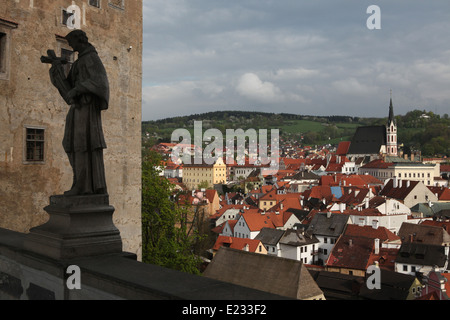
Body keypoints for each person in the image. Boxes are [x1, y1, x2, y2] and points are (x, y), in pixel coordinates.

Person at [44, 30, 109, 196]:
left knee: (83, 144)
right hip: (78, 108)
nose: (70, 46)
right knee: (71, 144)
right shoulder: (81, 61)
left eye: (71, 42)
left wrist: (79, 89)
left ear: (80, 40)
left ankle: (85, 186)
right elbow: (68, 88)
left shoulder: (91, 59)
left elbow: (100, 84)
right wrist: (56, 68)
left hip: (87, 109)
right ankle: (80, 183)